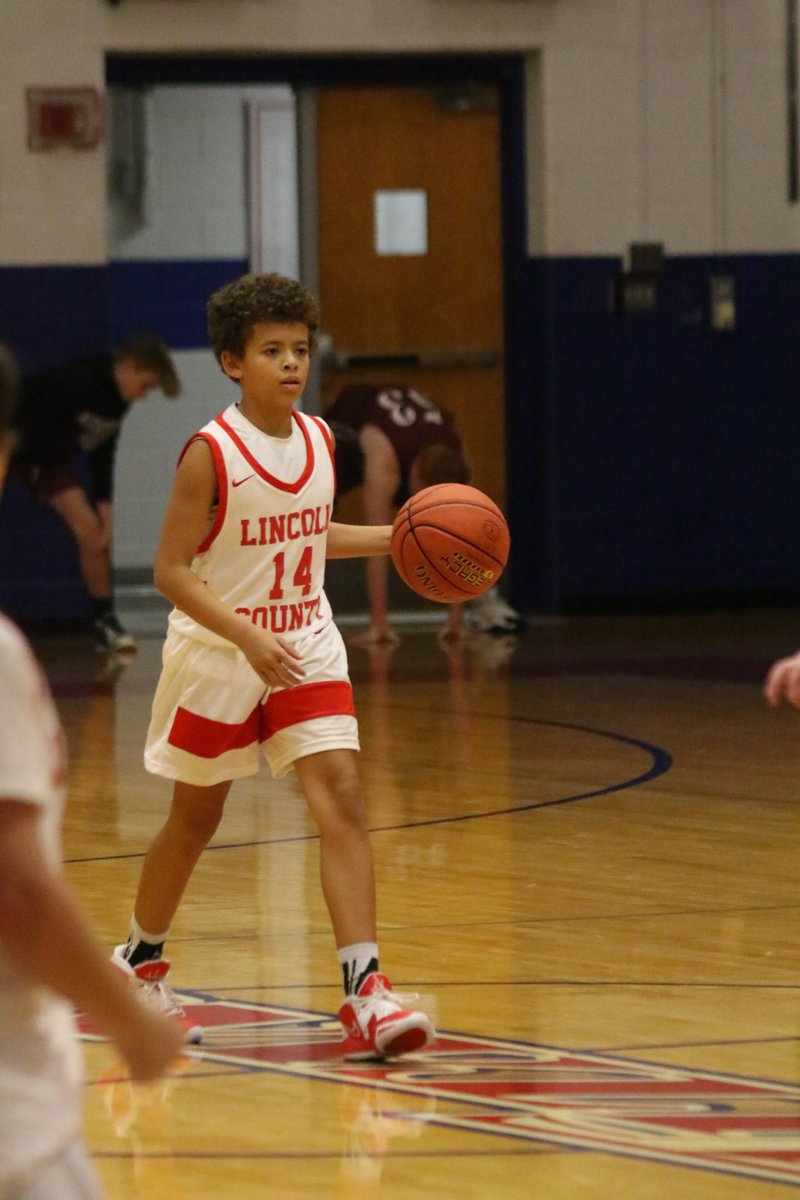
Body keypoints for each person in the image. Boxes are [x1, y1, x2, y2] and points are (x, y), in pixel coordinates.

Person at [111, 273, 434, 1060]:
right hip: (222, 652)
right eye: (271, 351)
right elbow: (171, 570)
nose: (290, 363)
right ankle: (138, 961)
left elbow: (309, 534)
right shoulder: (210, 454)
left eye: (299, 349)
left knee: (343, 798)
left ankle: (366, 991)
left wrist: (397, 535)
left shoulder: (323, 440)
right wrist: (245, 635)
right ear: (231, 361)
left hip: (306, 642)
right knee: (197, 818)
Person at [0, 343, 184, 1200]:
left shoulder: (111, 415)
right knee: (84, 530)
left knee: (94, 528)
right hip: (16, 1132)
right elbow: (19, 895)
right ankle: (108, 616)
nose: (147, 393)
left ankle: (106, 615)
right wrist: (130, 1028)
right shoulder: (72, 386)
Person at [11, 335, 181, 653]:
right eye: (145, 385)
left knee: (93, 534)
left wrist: (105, 506)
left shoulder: (119, 399)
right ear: (129, 367)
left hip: (48, 462)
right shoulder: (75, 380)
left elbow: (103, 449)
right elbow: (25, 417)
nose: (144, 395)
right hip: (15, 444)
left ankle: (105, 622)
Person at [323, 382, 525, 644]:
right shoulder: (385, 457)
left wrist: (455, 622)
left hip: (408, 426)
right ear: (416, 475)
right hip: (348, 426)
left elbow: (463, 539)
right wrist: (380, 626)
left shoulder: (457, 457)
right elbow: (376, 538)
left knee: (450, 527)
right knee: (323, 515)